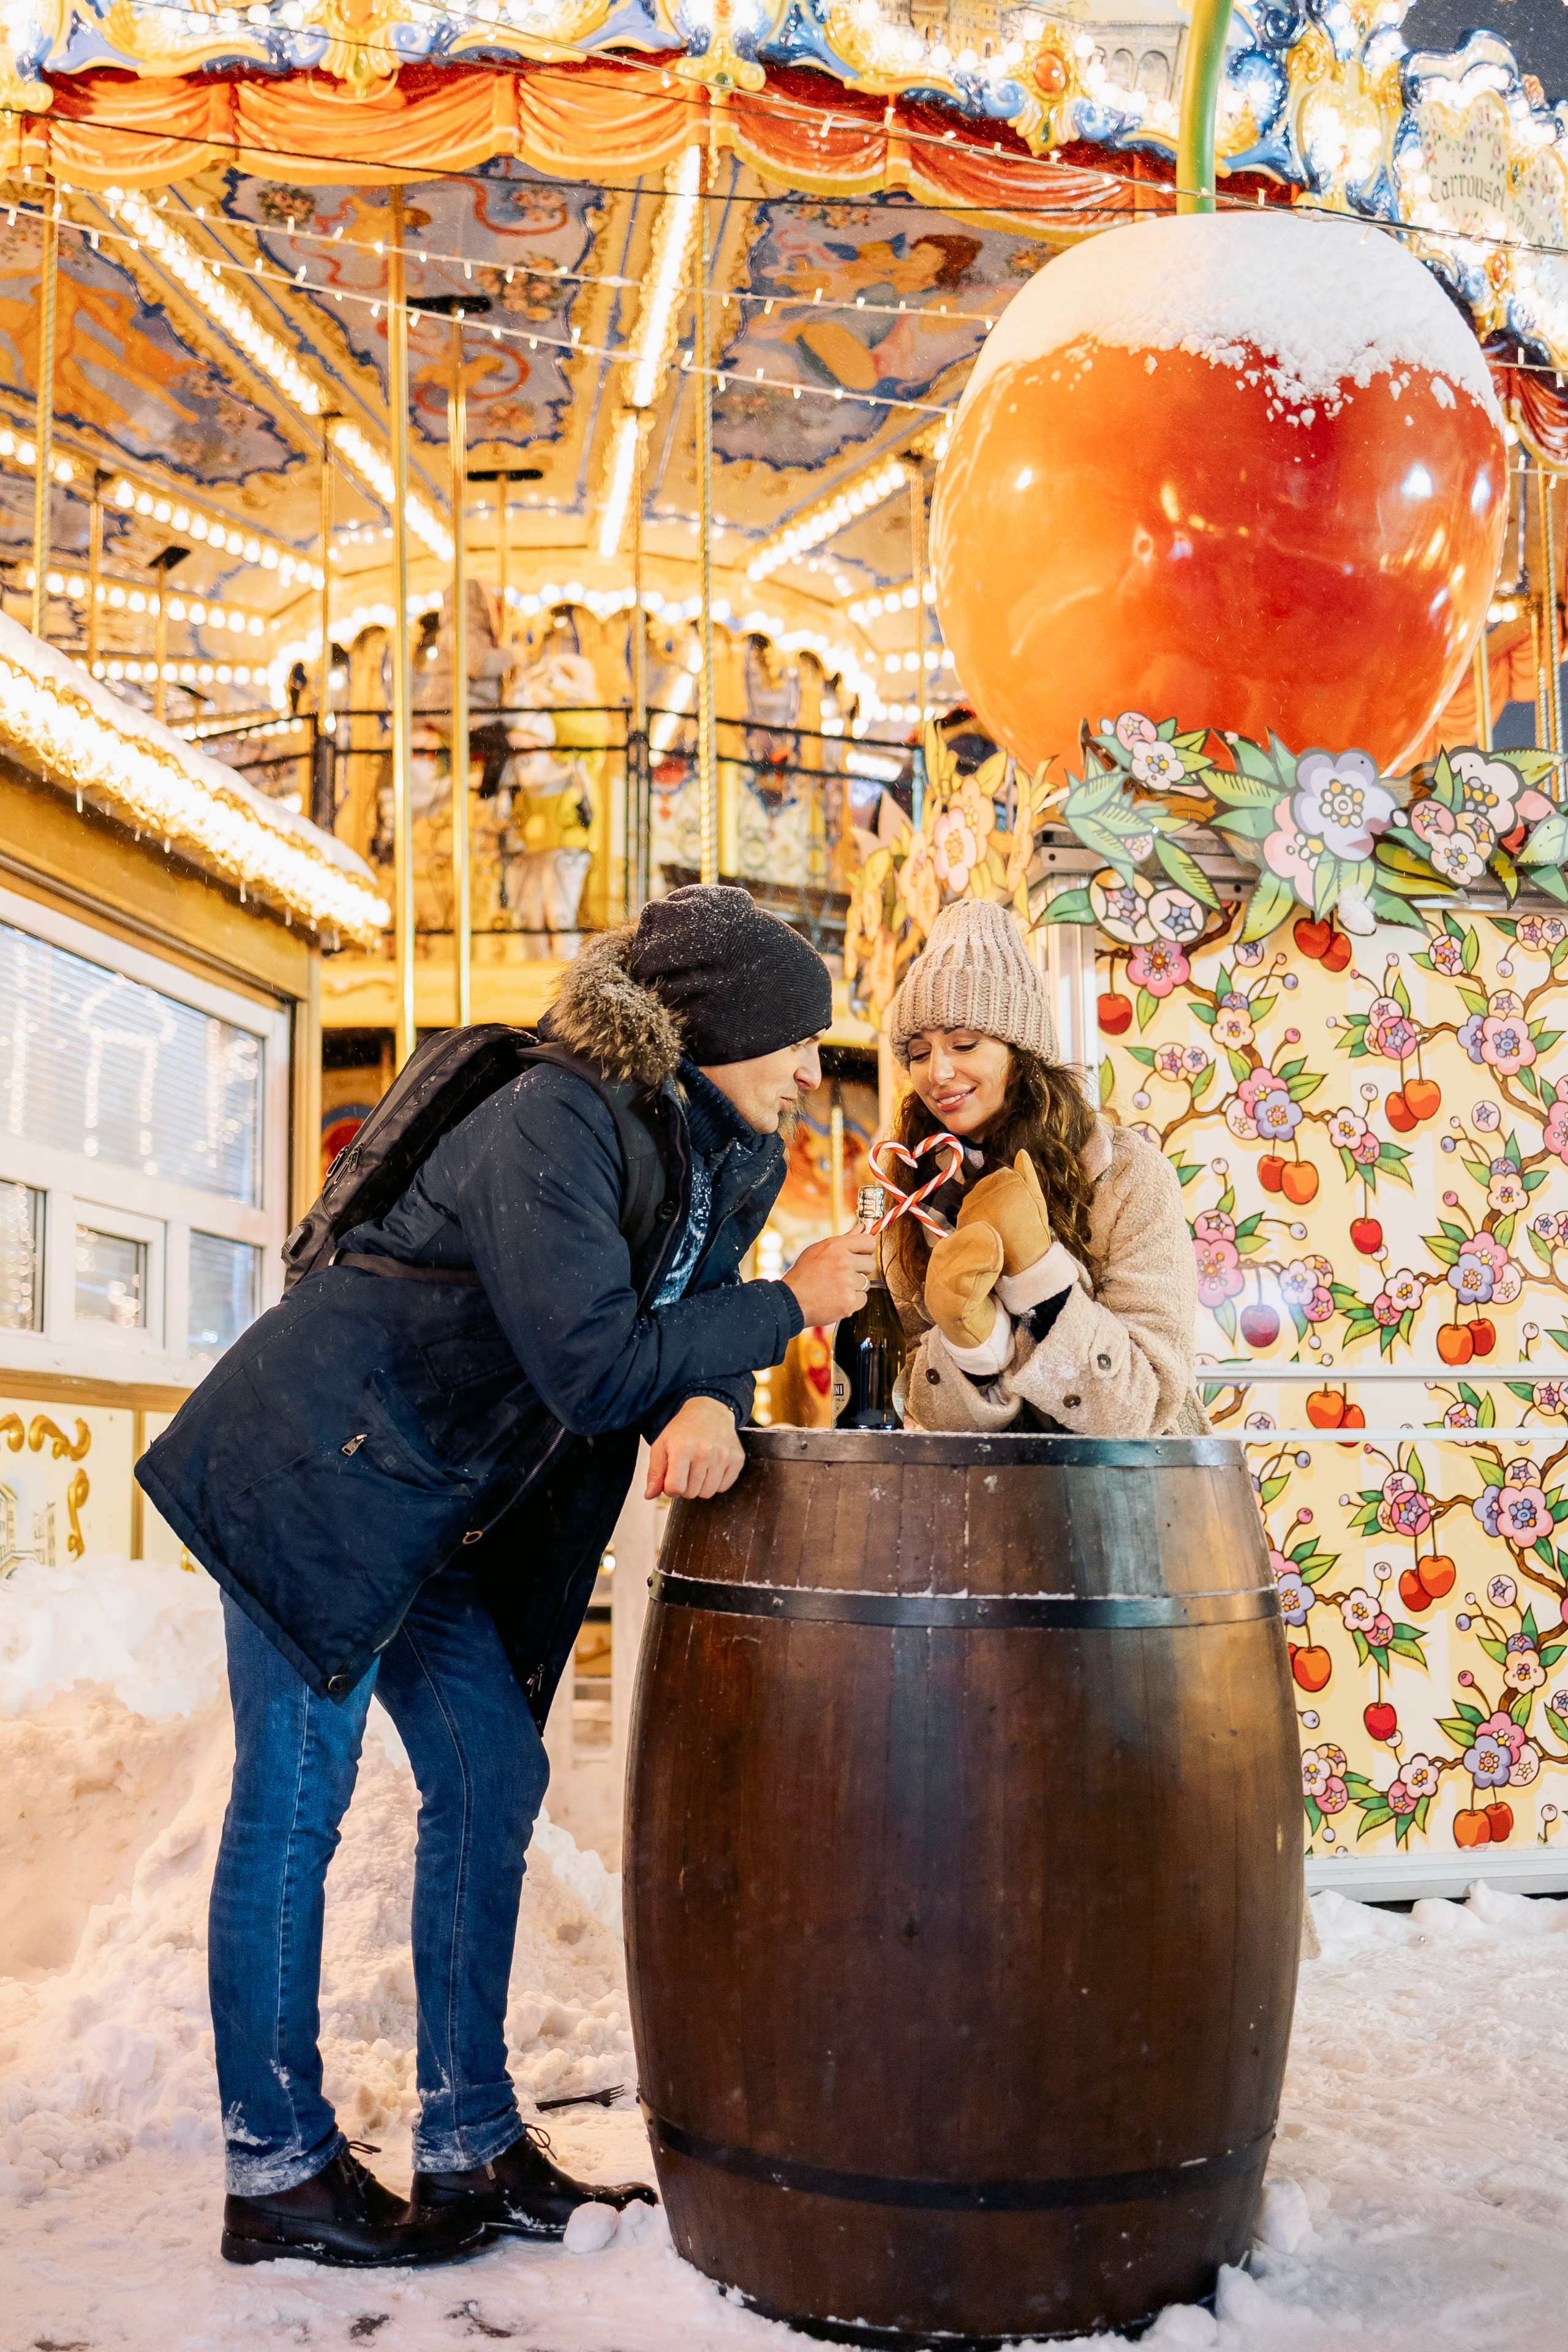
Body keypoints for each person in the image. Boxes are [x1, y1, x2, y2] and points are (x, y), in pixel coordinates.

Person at [137, 885, 876, 2270]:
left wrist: (716, 1387)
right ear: (717, 1027)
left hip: (426, 1501)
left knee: (489, 1769)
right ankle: (276, 2168)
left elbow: (686, 1301)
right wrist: (788, 1307)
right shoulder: (554, 1115)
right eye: (794, 1038)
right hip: (316, 1472)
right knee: (295, 1800)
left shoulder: (719, 1148)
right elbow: (591, 1358)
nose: (808, 1069)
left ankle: (467, 2141)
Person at [880, 899, 1205, 1436]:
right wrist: (970, 1349)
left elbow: (1145, 1408)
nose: (938, 1071)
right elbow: (920, 1408)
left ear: (1022, 1048)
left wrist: (1039, 1279)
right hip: (984, 1503)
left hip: (1134, 1503)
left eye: (965, 1043)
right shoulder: (917, 1196)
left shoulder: (1126, 1176)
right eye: (917, 1053)